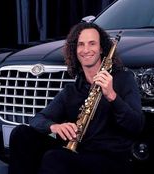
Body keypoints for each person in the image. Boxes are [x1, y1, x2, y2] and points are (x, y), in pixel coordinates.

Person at [8, 22, 145, 174]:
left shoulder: (124, 79)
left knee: (54, 159)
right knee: (21, 134)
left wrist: (112, 96)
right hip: (80, 152)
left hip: (111, 158)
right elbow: (37, 119)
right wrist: (55, 127)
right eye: (81, 45)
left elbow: (136, 125)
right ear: (75, 50)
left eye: (92, 43)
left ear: (101, 49)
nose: (86, 50)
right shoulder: (71, 90)